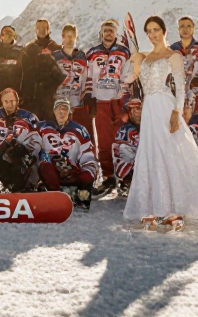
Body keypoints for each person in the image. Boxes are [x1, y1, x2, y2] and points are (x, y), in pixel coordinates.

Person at [121, 16, 198, 228]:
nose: (152, 34)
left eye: (155, 30)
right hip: (149, 109)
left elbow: (180, 88)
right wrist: (132, 62)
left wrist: (176, 112)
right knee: (151, 153)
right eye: (149, 31)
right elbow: (128, 81)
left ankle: (174, 208)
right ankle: (154, 207)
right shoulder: (143, 57)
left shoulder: (174, 56)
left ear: (164, 31)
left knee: (170, 153)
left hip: (165, 105)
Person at [84, 19, 131, 193]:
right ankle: (109, 177)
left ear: (116, 33)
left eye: (111, 30)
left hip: (118, 100)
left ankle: (125, 177)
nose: (108, 33)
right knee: (104, 142)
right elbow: (89, 75)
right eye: (106, 30)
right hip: (101, 101)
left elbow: (128, 75)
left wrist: (125, 97)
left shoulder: (124, 51)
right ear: (101, 33)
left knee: (122, 140)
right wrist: (89, 95)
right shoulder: (92, 52)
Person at [0, 88, 45, 193]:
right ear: (2, 102)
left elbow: (39, 139)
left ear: (17, 101)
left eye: (12, 101)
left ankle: (28, 186)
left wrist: (25, 150)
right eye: (6, 101)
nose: (9, 104)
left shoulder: (30, 117)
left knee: (28, 162)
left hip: (19, 160)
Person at [38, 98, 98, 210]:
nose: (62, 112)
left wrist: (88, 170)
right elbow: (35, 147)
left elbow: (88, 154)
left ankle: (80, 197)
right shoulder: (42, 127)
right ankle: (55, 197)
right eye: (59, 108)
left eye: (65, 108)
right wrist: (48, 158)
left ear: (69, 111)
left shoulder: (80, 129)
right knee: (45, 167)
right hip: (51, 172)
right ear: (54, 111)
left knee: (86, 175)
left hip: (72, 172)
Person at [21, 19, 65, 115]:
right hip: (33, 95)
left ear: (49, 29)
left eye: (44, 27)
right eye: (39, 27)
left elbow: (62, 74)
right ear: (35, 30)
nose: (41, 30)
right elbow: (23, 72)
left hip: (50, 94)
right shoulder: (28, 48)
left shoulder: (56, 48)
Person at [53, 25, 91, 132]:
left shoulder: (81, 56)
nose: (70, 39)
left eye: (72, 36)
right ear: (62, 37)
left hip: (77, 103)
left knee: (77, 132)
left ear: (76, 38)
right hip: (59, 101)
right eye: (67, 36)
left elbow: (85, 77)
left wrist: (86, 96)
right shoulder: (55, 56)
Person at [169, 16, 198, 112]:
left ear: (193, 28)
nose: (185, 29)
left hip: (197, 91)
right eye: (182, 26)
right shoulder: (172, 49)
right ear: (178, 29)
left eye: (188, 26)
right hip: (177, 90)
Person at [111, 97, 142, 198]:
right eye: (133, 110)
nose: (137, 114)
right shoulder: (125, 129)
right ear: (129, 113)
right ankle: (128, 180)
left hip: (147, 163)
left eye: (139, 110)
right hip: (131, 166)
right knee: (122, 147)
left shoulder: (149, 126)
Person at [0, 25, 26, 102]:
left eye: (10, 33)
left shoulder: (20, 50)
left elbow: (24, 71)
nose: (7, 36)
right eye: (4, 33)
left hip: (14, 88)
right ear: (1, 36)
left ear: (14, 36)